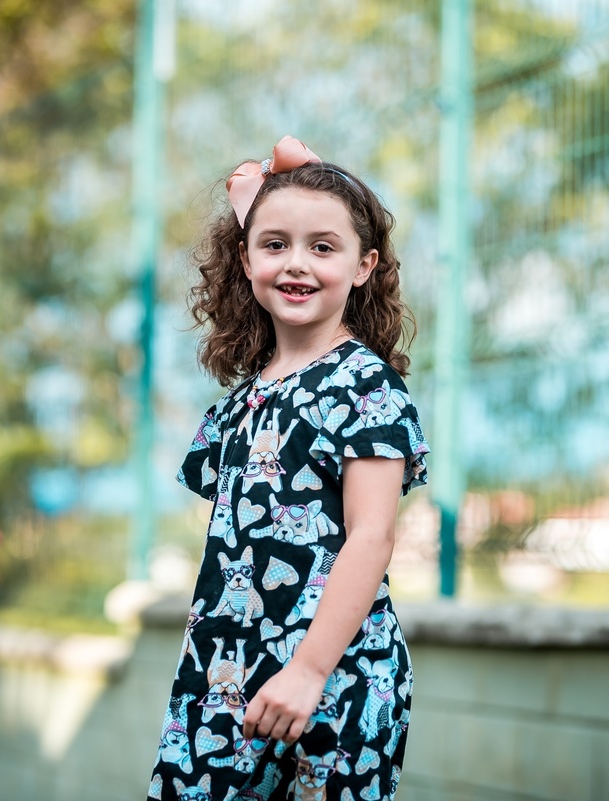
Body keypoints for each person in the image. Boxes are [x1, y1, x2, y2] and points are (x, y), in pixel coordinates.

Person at [148, 136, 430, 800]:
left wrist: (307, 670)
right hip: (222, 676)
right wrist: (270, 188)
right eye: (275, 244)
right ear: (245, 260)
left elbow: (371, 536)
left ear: (363, 266)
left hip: (335, 681)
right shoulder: (242, 401)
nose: (297, 262)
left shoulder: (367, 387)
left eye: (323, 247)